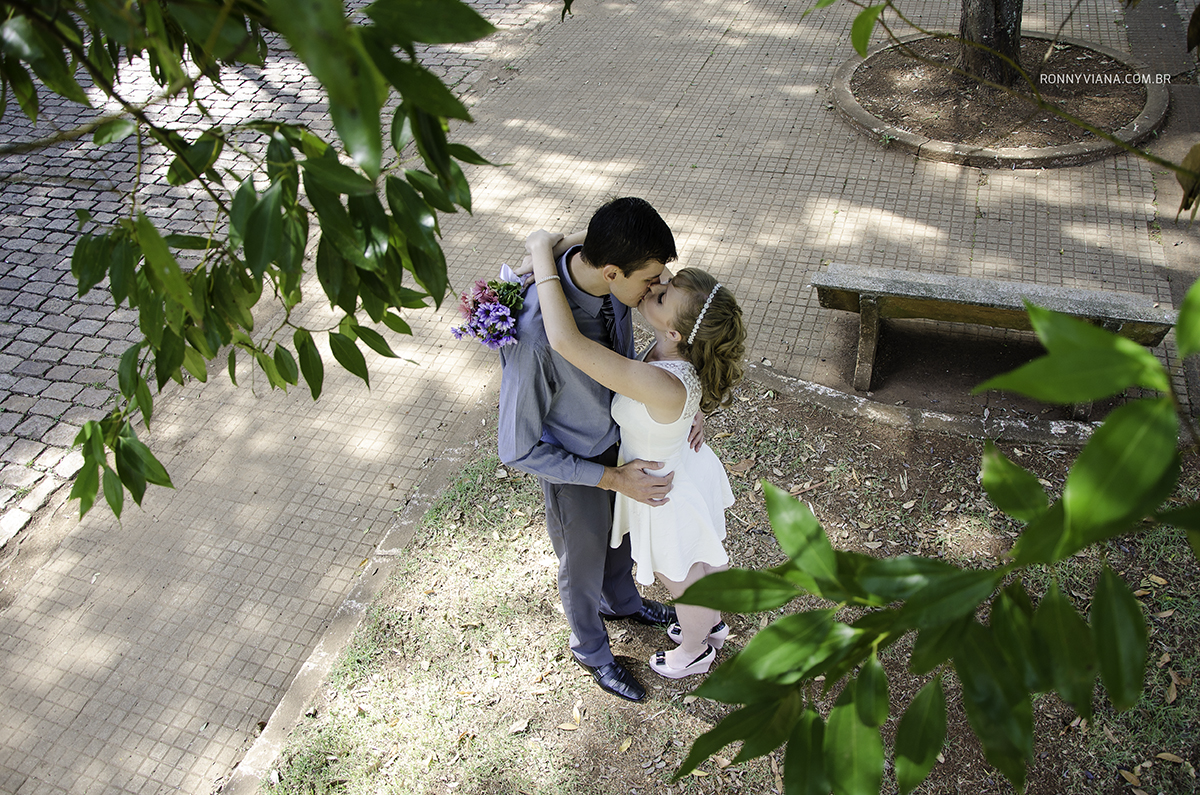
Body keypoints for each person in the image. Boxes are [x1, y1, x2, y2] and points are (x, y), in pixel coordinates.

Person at [520, 227, 747, 680]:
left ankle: (697, 648)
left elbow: (566, 343)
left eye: (662, 296)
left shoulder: (661, 379)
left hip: (661, 490)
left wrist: (541, 252)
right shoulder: (670, 354)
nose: (654, 288)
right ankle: (712, 626)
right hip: (674, 469)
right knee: (693, 564)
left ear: (675, 331)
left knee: (680, 576)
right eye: (663, 281)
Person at [497, 198, 690, 702]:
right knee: (580, 565)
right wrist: (610, 479)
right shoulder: (536, 337)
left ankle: (623, 602)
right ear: (610, 271)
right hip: (575, 466)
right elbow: (515, 450)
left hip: (622, 444)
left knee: (620, 540)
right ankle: (591, 649)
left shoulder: (603, 271)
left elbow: (563, 242)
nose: (657, 289)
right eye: (650, 280)